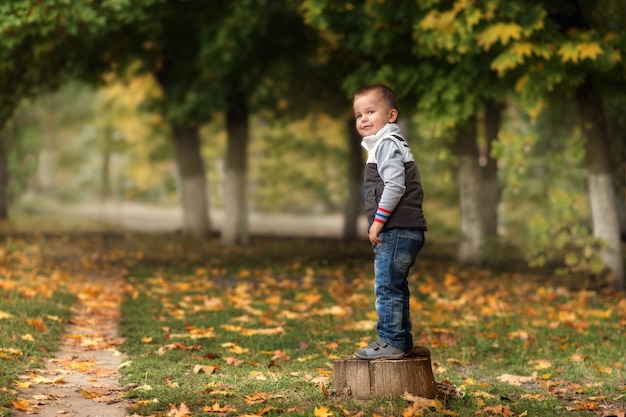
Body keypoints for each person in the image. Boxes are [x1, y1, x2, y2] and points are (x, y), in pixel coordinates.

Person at [352, 84, 427, 360]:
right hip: (406, 229)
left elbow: (395, 185)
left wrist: (378, 222)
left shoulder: (386, 145)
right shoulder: (389, 144)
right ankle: (401, 340)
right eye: (359, 115)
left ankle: (391, 341)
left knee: (386, 286)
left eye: (371, 112)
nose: (364, 119)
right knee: (396, 285)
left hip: (397, 229)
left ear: (391, 115)